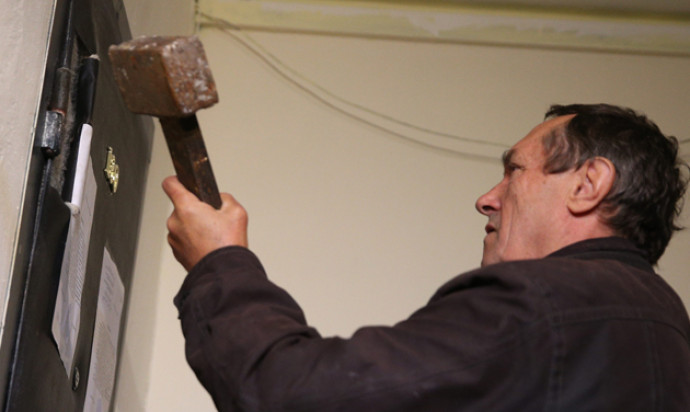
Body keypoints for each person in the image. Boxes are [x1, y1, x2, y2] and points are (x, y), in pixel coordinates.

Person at [163, 104, 690, 411]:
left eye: (514, 171)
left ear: (588, 184)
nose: (487, 199)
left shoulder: (541, 304)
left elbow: (292, 395)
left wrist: (220, 262)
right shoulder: (669, 335)